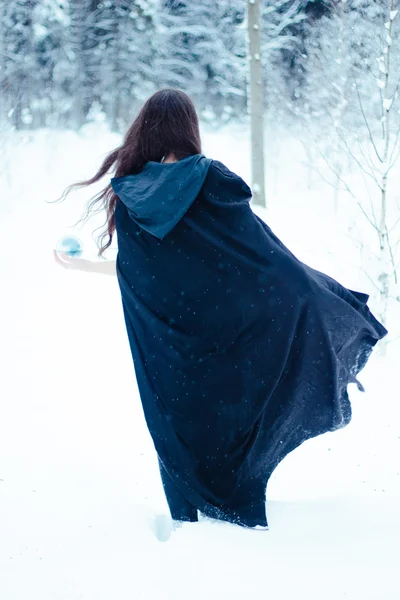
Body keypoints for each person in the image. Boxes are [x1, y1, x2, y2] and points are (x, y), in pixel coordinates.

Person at [55, 88, 387, 530]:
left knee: (182, 423)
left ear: (144, 131)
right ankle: (231, 514)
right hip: (230, 334)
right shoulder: (211, 181)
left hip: (174, 348)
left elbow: (147, 275)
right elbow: (265, 260)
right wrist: (323, 298)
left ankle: (191, 517)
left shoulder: (133, 193)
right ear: (189, 129)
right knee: (238, 418)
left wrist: (80, 265)